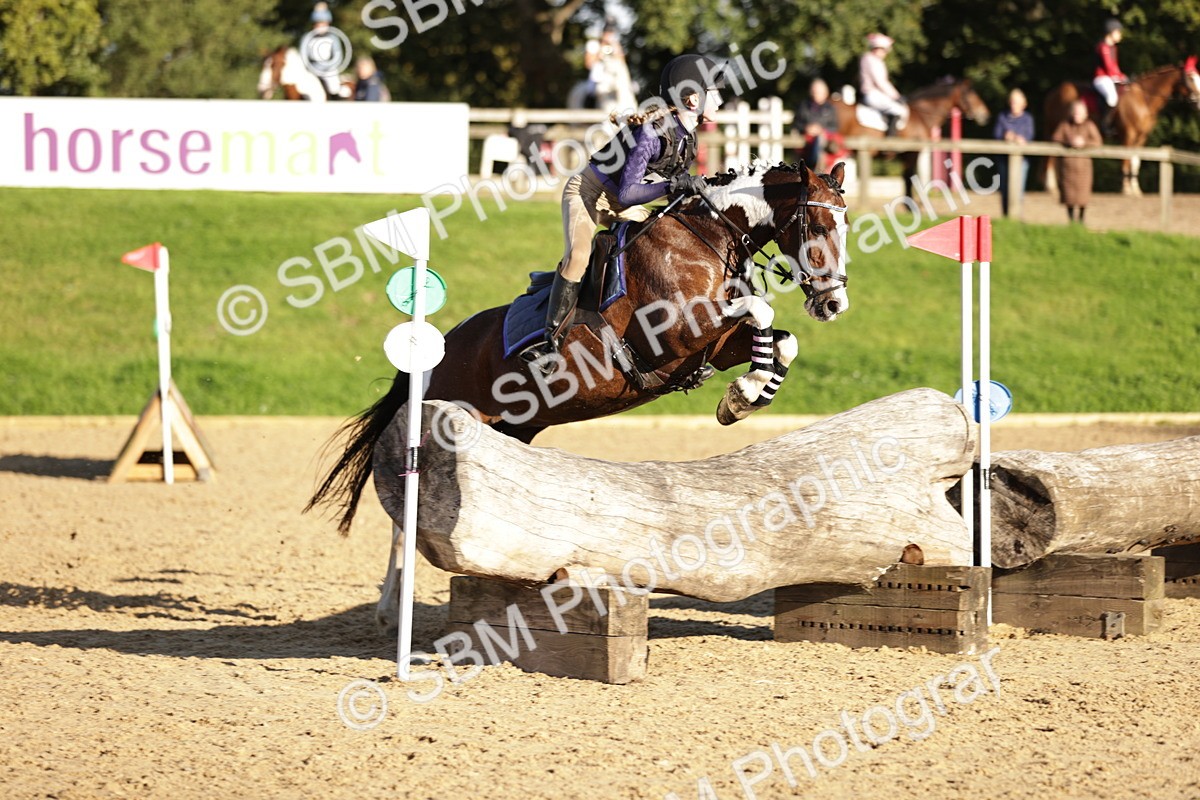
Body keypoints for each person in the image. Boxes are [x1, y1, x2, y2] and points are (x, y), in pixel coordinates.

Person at [521, 54, 725, 367]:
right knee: (578, 256)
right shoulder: (652, 133)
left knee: (660, 244)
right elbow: (628, 193)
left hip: (626, 204)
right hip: (589, 195)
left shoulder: (688, 136)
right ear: (694, 98)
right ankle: (549, 343)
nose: (722, 100)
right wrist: (675, 186)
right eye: (716, 93)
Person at [1051, 99, 1102, 223]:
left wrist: (1084, 143)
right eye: (1075, 113)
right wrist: (1069, 142)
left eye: (1079, 113)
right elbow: (1055, 138)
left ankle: (1081, 219)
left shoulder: (1089, 126)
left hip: (1084, 167)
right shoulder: (1065, 125)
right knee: (1068, 194)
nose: (1076, 115)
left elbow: (1098, 142)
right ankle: (1070, 220)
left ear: (1085, 114)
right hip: (1067, 167)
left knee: (1083, 194)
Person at [993, 88, 1034, 217]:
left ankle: (1017, 216)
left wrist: (1018, 138)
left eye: (1016, 102)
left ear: (1024, 104)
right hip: (1004, 160)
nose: (1013, 105)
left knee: (1018, 190)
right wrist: (1006, 136)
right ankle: (1006, 216)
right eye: (1012, 102)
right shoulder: (1002, 117)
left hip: (1022, 160)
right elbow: (997, 134)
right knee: (1005, 189)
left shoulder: (1027, 119)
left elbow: (1029, 136)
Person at [584, 21, 637, 114]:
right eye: (607, 33)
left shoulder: (615, 45)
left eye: (610, 33)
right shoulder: (593, 44)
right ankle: (588, 112)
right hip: (597, 77)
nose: (608, 35)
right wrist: (598, 55)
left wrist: (616, 49)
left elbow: (622, 63)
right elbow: (588, 63)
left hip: (613, 77)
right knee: (591, 92)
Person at [859, 32, 906, 136]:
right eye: (884, 50)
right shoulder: (872, 60)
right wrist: (896, 96)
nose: (885, 53)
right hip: (873, 94)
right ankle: (890, 139)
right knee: (898, 110)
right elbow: (881, 82)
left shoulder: (871, 59)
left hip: (876, 94)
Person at [792, 78, 840, 171]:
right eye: (815, 91)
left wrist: (821, 130)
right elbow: (796, 124)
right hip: (806, 141)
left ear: (825, 93)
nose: (816, 94)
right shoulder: (804, 106)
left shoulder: (831, 109)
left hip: (825, 142)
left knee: (820, 140)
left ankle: (815, 165)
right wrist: (807, 128)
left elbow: (834, 128)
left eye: (819, 92)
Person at [1094, 18, 1128, 130]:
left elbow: (1115, 66)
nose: (1120, 35)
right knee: (1112, 97)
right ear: (1111, 32)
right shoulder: (1103, 47)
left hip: (1111, 77)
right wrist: (1119, 77)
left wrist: (1122, 76)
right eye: (1118, 32)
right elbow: (1108, 67)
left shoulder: (1113, 48)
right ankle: (1104, 124)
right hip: (1102, 78)